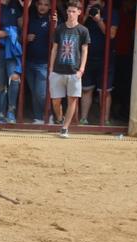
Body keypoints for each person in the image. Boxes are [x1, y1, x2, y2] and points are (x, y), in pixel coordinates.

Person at [49, 0, 88, 138]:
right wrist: (51, 69)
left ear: (79, 12)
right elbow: (54, 49)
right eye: (69, 11)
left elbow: (84, 50)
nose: (71, 14)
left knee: (72, 100)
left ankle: (65, 128)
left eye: (73, 11)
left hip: (74, 71)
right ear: (66, 12)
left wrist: (81, 69)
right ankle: (60, 119)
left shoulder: (83, 30)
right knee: (55, 100)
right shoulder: (59, 28)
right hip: (58, 70)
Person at [0, 0, 24, 123]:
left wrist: (25, 9)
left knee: (14, 80)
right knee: (0, 85)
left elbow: (22, 26)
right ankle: (1, 114)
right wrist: (10, 32)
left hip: (12, 52)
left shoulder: (15, 6)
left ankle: (11, 112)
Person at [79, 0, 117, 125]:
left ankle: (104, 120)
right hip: (87, 58)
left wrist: (99, 20)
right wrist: (85, 15)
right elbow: (76, 30)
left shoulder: (112, 12)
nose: (91, 1)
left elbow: (111, 34)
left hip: (105, 59)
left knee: (104, 92)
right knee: (86, 90)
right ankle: (83, 118)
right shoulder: (85, 11)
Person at [25, 0, 53, 124]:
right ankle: (38, 117)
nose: (42, 7)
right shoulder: (30, 18)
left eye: (46, 5)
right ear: (36, 5)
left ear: (50, 6)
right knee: (33, 91)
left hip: (44, 63)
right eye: (40, 4)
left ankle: (50, 115)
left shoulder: (53, 20)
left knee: (40, 92)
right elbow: (20, 36)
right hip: (29, 61)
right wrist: (25, 38)